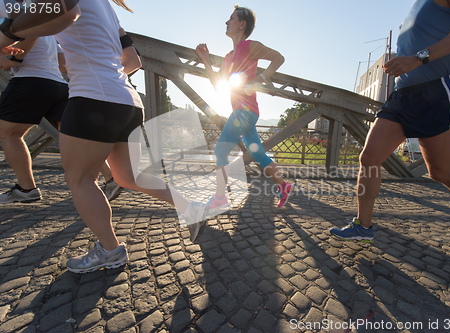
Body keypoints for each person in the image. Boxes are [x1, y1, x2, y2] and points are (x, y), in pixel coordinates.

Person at [0, 0, 209, 273]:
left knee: (79, 179)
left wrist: (8, 31)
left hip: (92, 98)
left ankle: (110, 250)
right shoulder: (106, 6)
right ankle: (191, 207)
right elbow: (131, 59)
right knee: (127, 177)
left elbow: (64, 10)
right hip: (127, 100)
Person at [330, 0, 450, 247]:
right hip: (403, 94)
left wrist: (419, 58)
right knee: (369, 158)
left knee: (441, 172)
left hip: (439, 88)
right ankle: (363, 225)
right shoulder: (417, 7)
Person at [196, 5, 294, 210]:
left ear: (242, 24)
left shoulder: (250, 46)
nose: (226, 22)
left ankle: (220, 198)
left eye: (230, 18)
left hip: (245, 112)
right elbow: (217, 84)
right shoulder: (227, 57)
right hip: (243, 113)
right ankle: (284, 186)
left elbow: (279, 58)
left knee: (221, 150)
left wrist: (263, 77)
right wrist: (205, 60)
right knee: (258, 154)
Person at [0, 33, 68, 204]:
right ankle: (110, 177)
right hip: (58, 85)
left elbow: (32, 34)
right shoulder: (50, 32)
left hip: (29, 81)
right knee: (71, 137)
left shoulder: (12, 16)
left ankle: (26, 189)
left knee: (9, 133)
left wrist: (12, 59)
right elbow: (63, 64)